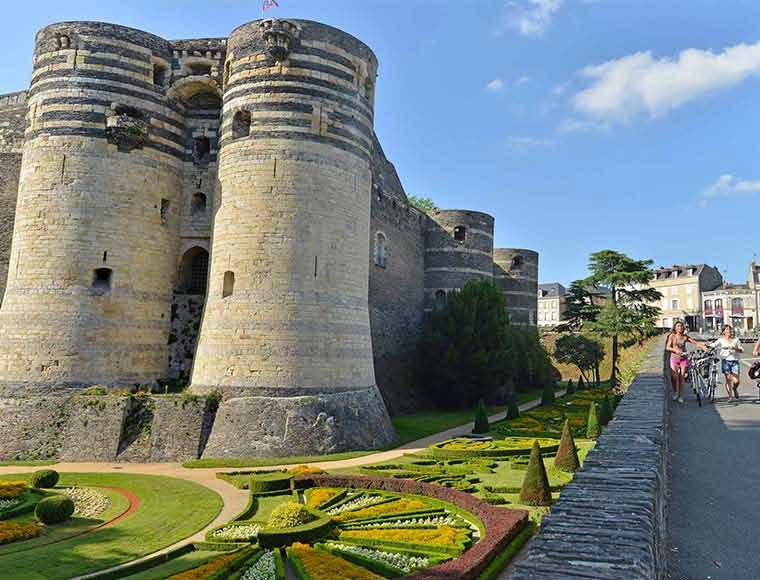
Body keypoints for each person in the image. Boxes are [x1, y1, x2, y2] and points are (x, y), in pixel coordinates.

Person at [666, 320, 708, 403]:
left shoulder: (685, 337)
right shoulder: (672, 336)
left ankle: (681, 396)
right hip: (674, 358)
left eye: (681, 326)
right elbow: (667, 347)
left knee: (682, 378)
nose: (680, 328)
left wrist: (703, 347)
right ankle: (676, 392)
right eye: (678, 326)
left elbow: (695, 343)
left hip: (683, 359)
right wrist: (675, 350)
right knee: (674, 377)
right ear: (675, 327)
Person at [711, 324, 744, 400]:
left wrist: (735, 349)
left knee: (736, 381)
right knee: (728, 379)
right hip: (725, 361)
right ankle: (730, 396)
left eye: (729, 329)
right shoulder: (721, 340)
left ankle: (734, 388)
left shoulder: (736, 340)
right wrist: (706, 346)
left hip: (735, 361)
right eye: (726, 329)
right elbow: (714, 345)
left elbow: (741, 350)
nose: (729, 331)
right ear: (723, 332)